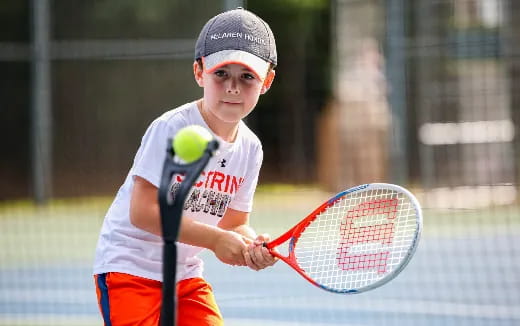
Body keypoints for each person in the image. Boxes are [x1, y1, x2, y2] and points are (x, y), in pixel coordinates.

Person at [93, 7, 278, 326]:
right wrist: (215, 241)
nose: (233, 87)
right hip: (128, 270)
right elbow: (143, 212)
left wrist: (252, 245)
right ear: (199, 72)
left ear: (267, 81)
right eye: (221, 74)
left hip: (184, 278)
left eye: (247, 76)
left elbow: (233, 224)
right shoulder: (171, 128)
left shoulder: (251, 149)